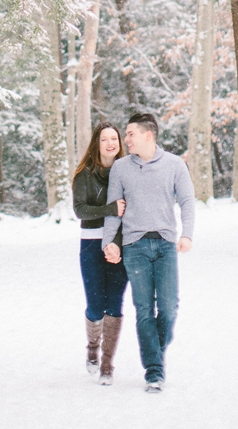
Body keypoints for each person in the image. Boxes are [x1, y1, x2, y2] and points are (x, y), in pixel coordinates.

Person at [102, 112, 197, 393]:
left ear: (148, 135)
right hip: (134, 246)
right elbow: (113, 210)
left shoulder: (174, 165)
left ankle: (154, 349)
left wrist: (187, 234)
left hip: (166, 244)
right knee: (144, 309)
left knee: (169, 307)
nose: (126, 139)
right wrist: (110, 241)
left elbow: (188, 201)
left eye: (130, 134)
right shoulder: (120, 168)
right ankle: (154, 371)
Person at [72, 122, 129, 384]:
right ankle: (93, 346)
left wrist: (117, 242)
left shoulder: (128, 171)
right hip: (91, 244)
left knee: (114, 304)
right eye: (104, 139)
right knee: (96, 305)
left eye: (114, 139)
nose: (110, 143)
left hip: (119, 244)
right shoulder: (84, 174)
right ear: (97, 143)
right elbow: (81, 211)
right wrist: (109, 209)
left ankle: (107, 363)